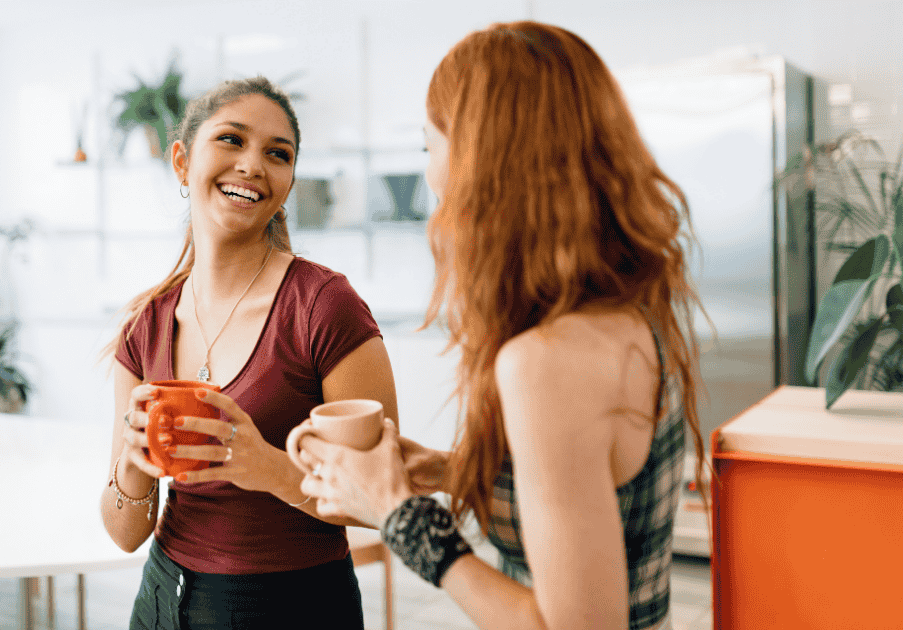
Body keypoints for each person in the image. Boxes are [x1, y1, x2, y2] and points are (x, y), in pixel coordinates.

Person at [296, 21, 709, 630]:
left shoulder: (545, 361)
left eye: (429, 147)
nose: (432, 176)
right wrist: (450, 470)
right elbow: (596, 481)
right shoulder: (630, 306)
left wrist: (397, 512)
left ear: (483, 162)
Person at [101, 76, 398, 630]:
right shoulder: (147, 324)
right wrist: (132, 460)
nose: (252, 164)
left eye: (277, 153)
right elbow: (124, 533)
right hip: (164, 600)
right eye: (232, 140)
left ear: (287, 181)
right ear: (182, 162)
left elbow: (381, 498)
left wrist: (266, 467)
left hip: (296, 607)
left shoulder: (323, 307)